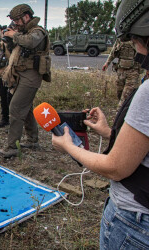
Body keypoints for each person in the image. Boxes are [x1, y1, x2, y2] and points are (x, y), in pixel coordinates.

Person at [52, 0, 149, 248]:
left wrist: (70, 147)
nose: (135, 47)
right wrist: (108, 132)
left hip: (135, 222)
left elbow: (116, 168)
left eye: (135, 40)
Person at [0, 4, 51, 158]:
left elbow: (30, 42)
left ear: (26, 17)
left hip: (32, 76)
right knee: (26, 108)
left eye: (18, 20)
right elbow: (15, 45)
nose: (17, 23)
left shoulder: (37, 32)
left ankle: (12, 147)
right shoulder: (23, 33)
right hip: (21, 74)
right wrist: (7, 36)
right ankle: (33, 140)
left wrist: (14, 34)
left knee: (15, 107)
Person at [102, 38, 141, 107]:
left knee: (126, 96)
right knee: (119, 91)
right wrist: (107, 63)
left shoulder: (139, 38)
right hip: (121, 70)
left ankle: (120, 112)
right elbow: (113, 51)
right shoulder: (121, 38)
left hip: (133, 71)